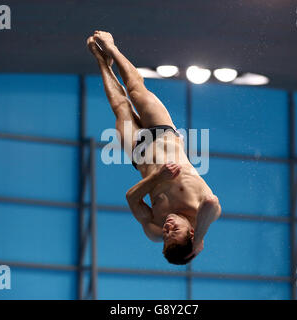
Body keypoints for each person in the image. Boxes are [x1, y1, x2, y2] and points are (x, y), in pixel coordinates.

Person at [86, 30, 221, 264]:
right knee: (136, 88)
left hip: (139, 153)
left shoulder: (154, 229)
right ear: (191, 233)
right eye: (175, 232)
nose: (168, 228)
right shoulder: (203, 214)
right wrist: (198, 239)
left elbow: (131, 198)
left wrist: (157, 176)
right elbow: (212, 203)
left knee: (120, 106)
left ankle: (100, 60)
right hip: (163, 136)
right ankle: (112, 48)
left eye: (166, 235)